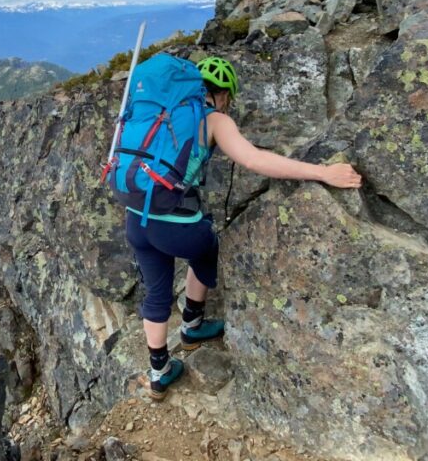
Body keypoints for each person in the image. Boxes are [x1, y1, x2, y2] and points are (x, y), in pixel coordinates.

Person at [125, 56, 363, 399]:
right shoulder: (213, 119)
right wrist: (323, 172)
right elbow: (254, 159)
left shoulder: (158, 114)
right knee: (206, 245)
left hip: (136, 217)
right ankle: (192, 325)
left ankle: (159, 373)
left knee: (156, 293)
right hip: (175, 227)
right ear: (222, 95)